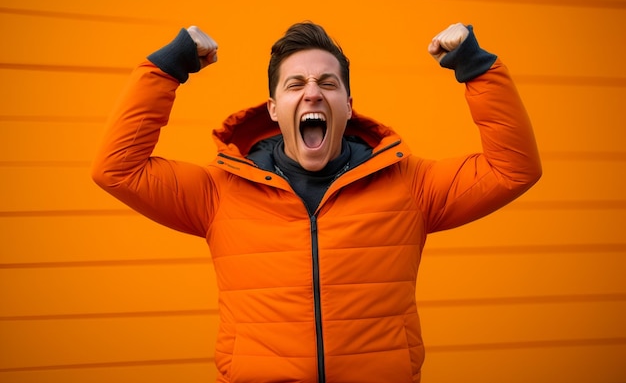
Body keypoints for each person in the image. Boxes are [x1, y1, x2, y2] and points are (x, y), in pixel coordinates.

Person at [92, 21, 541, 383]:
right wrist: (168, 66)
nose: (312, 92)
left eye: (327, 83)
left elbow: (512, 169)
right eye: (295, 84)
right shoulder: (217, 193)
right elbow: (118, 168)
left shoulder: (411, 186)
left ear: (347, 106)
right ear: (273, 108)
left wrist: (477, 67)